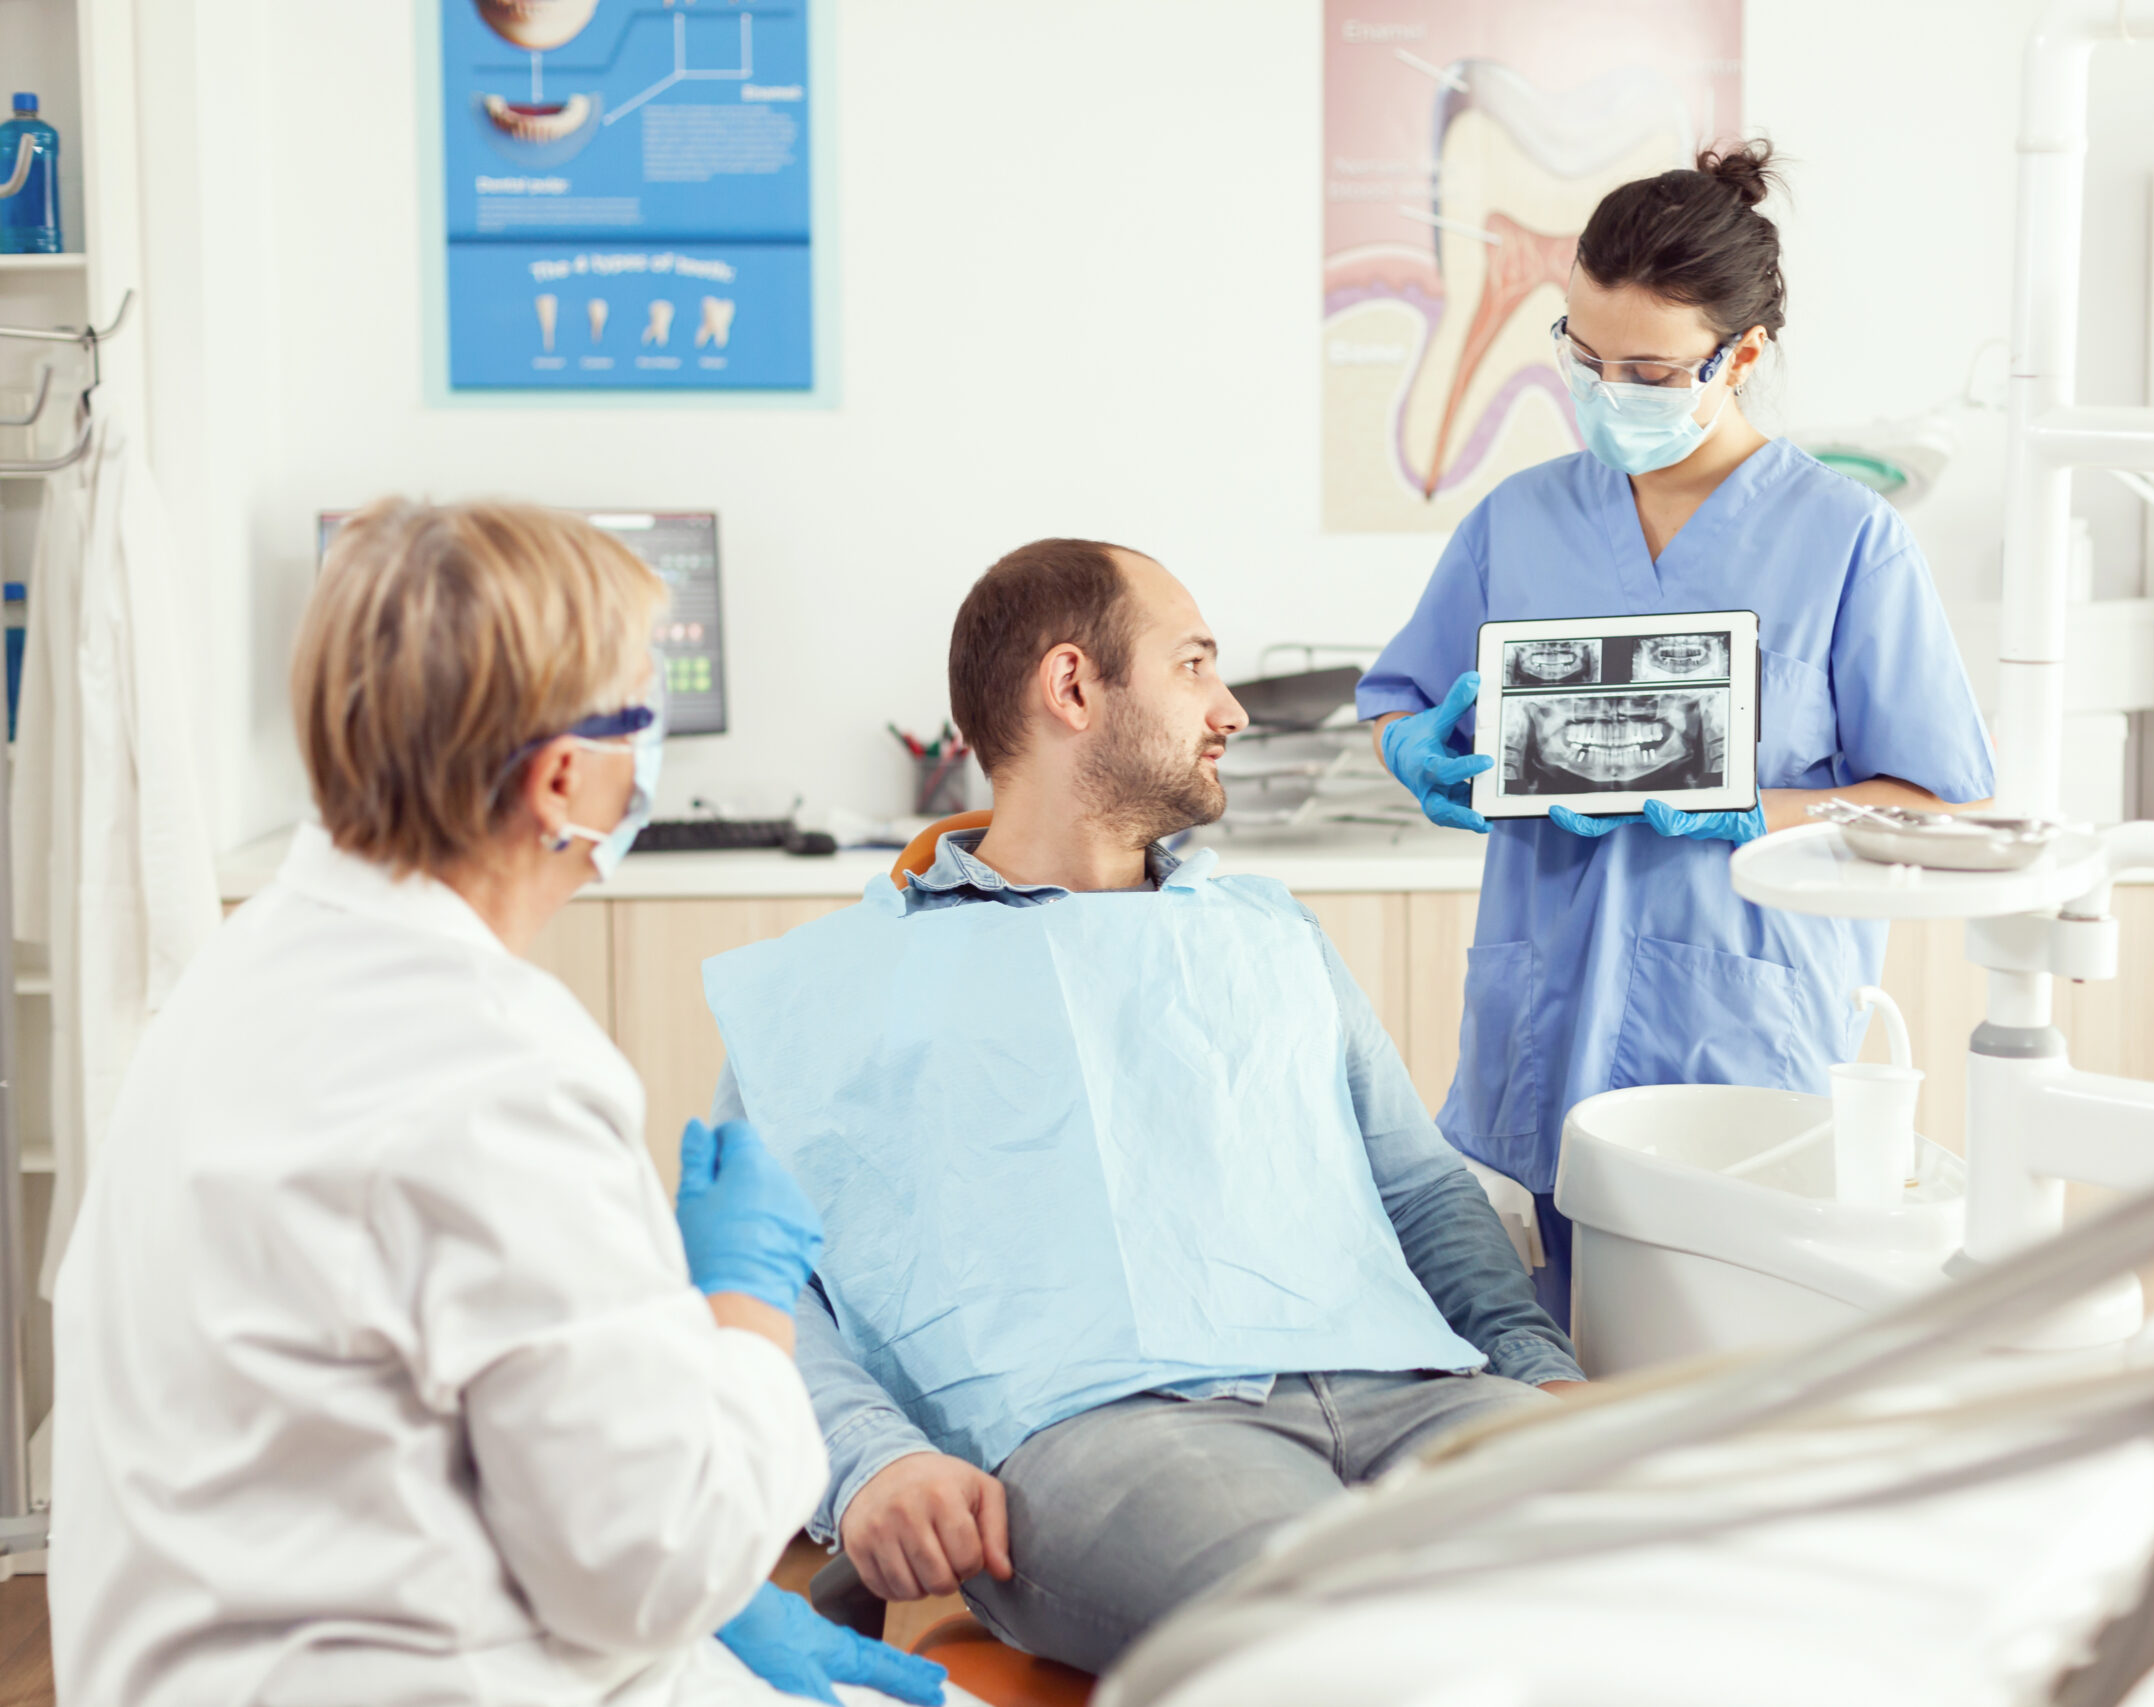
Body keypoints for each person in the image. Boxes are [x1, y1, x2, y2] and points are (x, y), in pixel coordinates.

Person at [47, 500, 944, 1707]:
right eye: (645, 708)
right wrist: (747, 1310)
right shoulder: (489, 1069)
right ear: (563, 777)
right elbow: (649, 1566)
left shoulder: (248, 965)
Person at [702, 538, 1586, 1676]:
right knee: (1348, 1647)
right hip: (1112, 1432)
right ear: (1073, 687)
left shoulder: (1264, 935)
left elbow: (1416, 1190)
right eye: (1195, 666)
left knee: (1674, 1585)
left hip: (1415, 1391)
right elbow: (757, 1282)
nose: (1230, 711)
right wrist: (870, 1460)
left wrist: (1537, 1368)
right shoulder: (824, 990)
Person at [1362, 141, 1997, 1323]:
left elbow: (1942, 806)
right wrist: (1416, 749)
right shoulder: (1522, 521)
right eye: (1584, 356)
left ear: (1741, 356)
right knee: (1533, 1390)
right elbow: (1400, 698)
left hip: (1738, 1038)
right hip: (1534, 1037)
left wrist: (1758, 808)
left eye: (1647, 369)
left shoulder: (1848, 542)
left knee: (1722, 1390)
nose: (1608, 391)